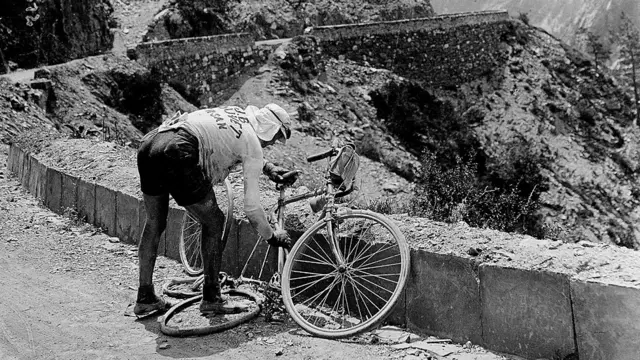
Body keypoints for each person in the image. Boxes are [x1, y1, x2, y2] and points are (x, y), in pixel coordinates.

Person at [134, 103, 297, 315]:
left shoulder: (238, 113)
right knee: (213, 221)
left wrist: (269, 168)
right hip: (178, 150)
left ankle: (145, 296)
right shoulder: (254, 145)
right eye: (275, 138)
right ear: (271, 130)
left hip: (152, 142)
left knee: (154, 222)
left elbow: (232, 139)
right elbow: (252, 208)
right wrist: (272, 237)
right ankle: (212, 298)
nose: (272, 143)